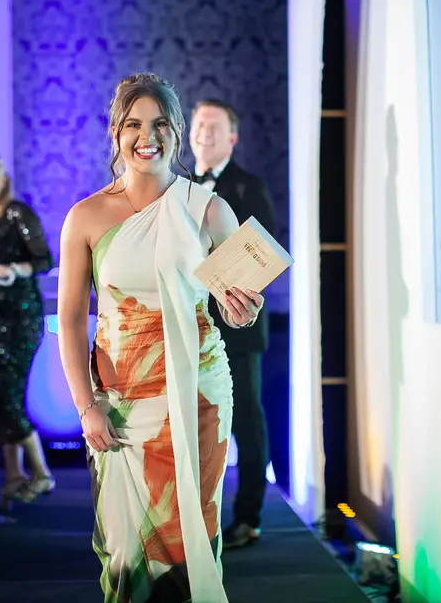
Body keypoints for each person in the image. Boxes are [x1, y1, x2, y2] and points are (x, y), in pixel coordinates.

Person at [57, 74, 264, 603]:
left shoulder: (209, 209)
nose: (146, 136)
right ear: (115, 132)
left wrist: (241, 312)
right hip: (120, 405)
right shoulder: (84, 217)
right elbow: (72, 320)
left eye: (159, 124)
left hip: (198, 397)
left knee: (193, 541)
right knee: (126, 554)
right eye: (133, 124)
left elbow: (234, 308)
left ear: (175, 133)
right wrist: (86, 407)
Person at [188, 98, 277, 550]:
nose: (204, 131)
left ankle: (249, 516)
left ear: (232, 138)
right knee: (195, 428)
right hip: (188, 327)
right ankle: (199, 519)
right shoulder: (175, 187)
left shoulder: (248, 187)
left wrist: (227, 285)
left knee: (246, 422)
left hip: (238, 330)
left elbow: (266, 256)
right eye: (199, 123)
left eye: (214, 126)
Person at [0, 151, 56, 506]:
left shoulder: (18, 213)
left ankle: (42, 473)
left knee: (8, 399)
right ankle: (14, 476)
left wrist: (15, 270)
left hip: (20, 318)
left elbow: (44, 259)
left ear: (3, 181)